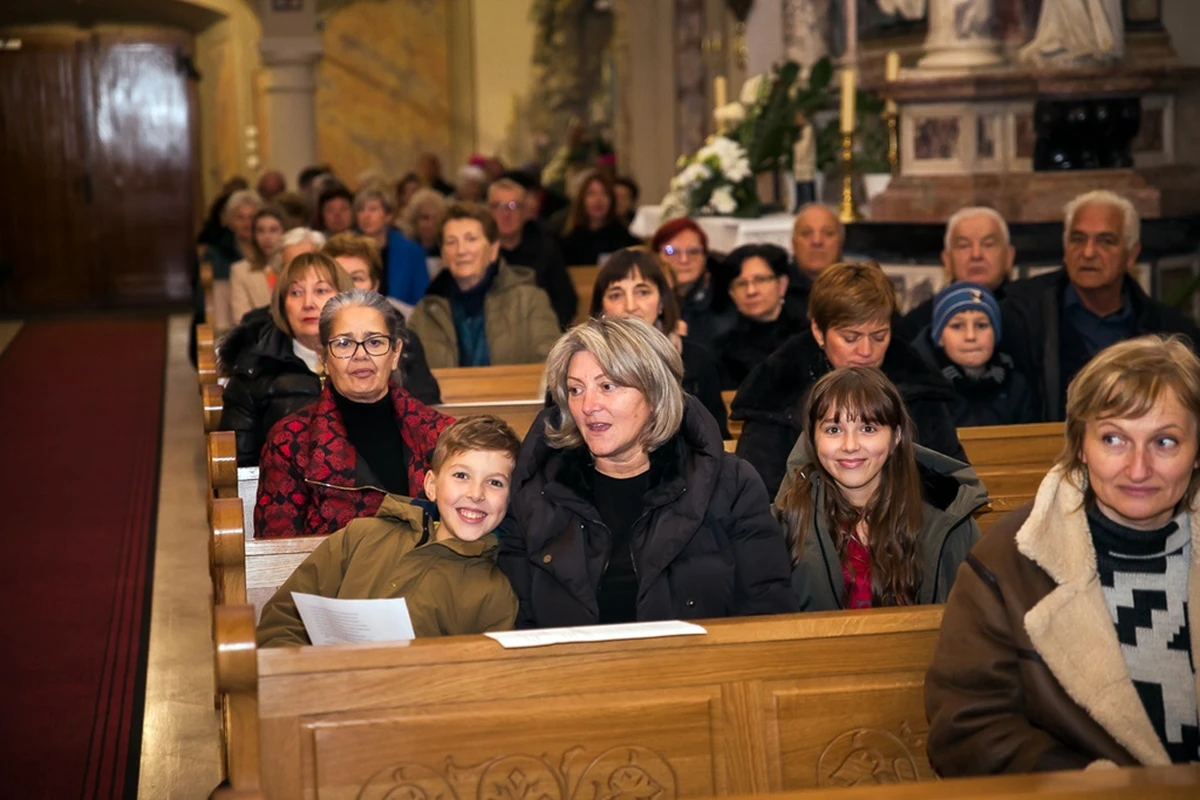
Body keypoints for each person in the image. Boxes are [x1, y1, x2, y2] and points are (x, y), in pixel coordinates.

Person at [925, 334, 1200, 774]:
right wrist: (1091, 784)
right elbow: (968, 727)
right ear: (1081, 447)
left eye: (1164, 442)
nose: (1138, 468)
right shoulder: (1011, 559)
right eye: (1113, 439)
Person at [500, 316, 798, 627]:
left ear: (655, 394)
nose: (587, 405)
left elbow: (768, 613)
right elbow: (518, 621)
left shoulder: (731, 485)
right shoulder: (535, 489)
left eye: (607, 386)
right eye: (575, 390)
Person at [256, 414, 520, 646]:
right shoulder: (360, 537)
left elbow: (480, 681)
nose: (476, 494)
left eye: (495, 482)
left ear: (511, 499)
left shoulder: (495, 593)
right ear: (431, 485)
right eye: (461, 476)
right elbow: (283, 619)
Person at [732, 261, 967, 498]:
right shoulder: (777, 389)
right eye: (850, 337)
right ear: (818, 332)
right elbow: (759, 495)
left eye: (879, 336)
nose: (866, 350)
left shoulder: (919, 385)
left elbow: (954, 483)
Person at [775, 367, 985, 610]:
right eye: (833, 429)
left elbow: (979, 618)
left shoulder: (950, 517)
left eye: (868, 428)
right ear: (812, 440)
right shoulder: (785, 521)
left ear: (896, 437)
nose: (850, 445)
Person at [255, 289, 453, 538]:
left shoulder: (441, 434)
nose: (361, 355)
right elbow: (276, 552)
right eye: (344, 343)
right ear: (323, 358)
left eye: (374, 342)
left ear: (395, 353)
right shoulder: (289, 442)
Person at [1002, 190, 1200, 422]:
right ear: (1065, 249)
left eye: (1106, 241)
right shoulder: (1020, 313)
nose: (1088, 253)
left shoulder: (1170, 330)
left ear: (1131, 254)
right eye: (1078, 239)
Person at [219, 253, 354, 466]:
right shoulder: (254, 372)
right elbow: (240, 469)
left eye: (321, 290)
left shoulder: (370, 362)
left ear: (345, 300)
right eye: (296, 293)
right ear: (282, 305)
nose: (308, 303)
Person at [592, 249, 729, 438]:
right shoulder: (580, 362)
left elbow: (718, 437)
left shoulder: (696, 359)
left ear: (661, 302)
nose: (630, 305)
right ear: (602, 306)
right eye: (616, 295)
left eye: (642, 292)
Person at [408, 203, 561, 369]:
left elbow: (551, 366)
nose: (461, 250)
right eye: (451, 242)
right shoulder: (425, 312)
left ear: (493, 250)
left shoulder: (529, 301)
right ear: (443, 254)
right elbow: (409, 374)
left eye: (471, 239)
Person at [320, 232, 442, 403]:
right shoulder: (311, 338)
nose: (348, 288)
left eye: (356, 278)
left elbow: (427, 405)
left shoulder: (405, 342)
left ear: (375, 285)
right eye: (339, 279)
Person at [913, 282, 1039, 426]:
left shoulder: (1017, 387)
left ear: (995, 333)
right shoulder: (921, 390)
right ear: (939, 337)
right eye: (957, 326)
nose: (971, 336)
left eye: (981, 325)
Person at [895, 206, 1016, 344]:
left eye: (988, 244)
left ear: (1009, 256)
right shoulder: (918, 324)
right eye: (964, 246)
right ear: (946, 260)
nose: (976, 255)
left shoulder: (1030, 316)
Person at [713, 244, 808, 391]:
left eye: (760, 280)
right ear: (732, 294)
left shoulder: (808, 336)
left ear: (782, 284)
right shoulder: (721, 350)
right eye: (741, 284)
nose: (751, 291)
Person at [488, 178, 576, 329]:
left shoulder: (546, 247)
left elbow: (565, 301)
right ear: (489, 211)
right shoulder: (480, 251)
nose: (506, 214)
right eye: (499, 206)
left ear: (524, 212)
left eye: (513, 206)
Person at [651, 218, 735, 353]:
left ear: (705, 256)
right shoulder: (645, 301)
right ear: (655, 257)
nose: (684, 260)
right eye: (671, 251)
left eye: (693, 251)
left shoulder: (725, 300)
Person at [354, 186, 429, 308]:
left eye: (373, 209)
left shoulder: (412, 252)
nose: (366, 215)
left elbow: (422, 300)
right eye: (361, 210)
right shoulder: (346, 250)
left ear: (388, 216)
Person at [205, 189, 263, 331]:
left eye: (251, 217)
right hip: (231, 322)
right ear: (230, 221)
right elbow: (214, 303)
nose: (246, 223)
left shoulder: (269, 251)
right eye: (240, 218)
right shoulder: (217, 254)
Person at [556, 170, 639, 266]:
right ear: (581, 201)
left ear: (611, 200)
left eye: (604, 193)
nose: (598, 199)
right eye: (591, 194)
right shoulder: (567, 240)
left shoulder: (625, 238)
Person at [788, 203, 845, 319]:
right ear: (793, 244)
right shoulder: (777, 292)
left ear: (841, 242)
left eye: (828, 233)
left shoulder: (861, 289)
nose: (817, 241)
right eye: (806, 233)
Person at [229, 206, 285, 323]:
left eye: (273, 230)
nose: (266, 237)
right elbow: (240, 318)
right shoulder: (240, 270)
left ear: (284, 233)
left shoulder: (294, 266)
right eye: (260, 230)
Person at [400, 188, 448, 257]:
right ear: (414, 220)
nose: (430, 224)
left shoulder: (445, 251)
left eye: (435, 219)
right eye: (425, 218)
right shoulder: (404, 249)